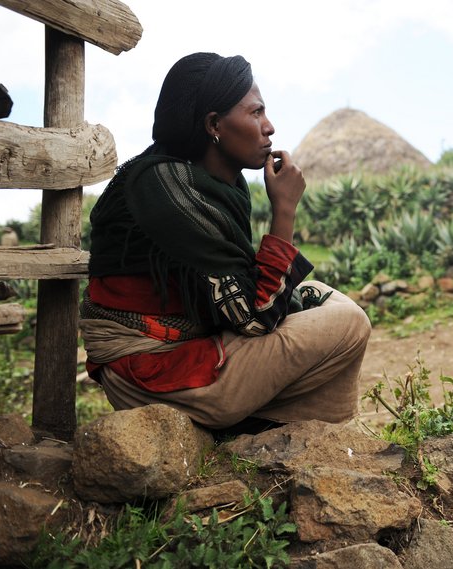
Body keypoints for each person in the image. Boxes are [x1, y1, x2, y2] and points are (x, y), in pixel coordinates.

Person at [79, 52, 371, 434]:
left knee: (316, 294)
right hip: (153, 373)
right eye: (256, 113)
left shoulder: (216, 187)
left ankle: (277, 425)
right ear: (214, 124)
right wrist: (284, 210)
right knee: (348, 322)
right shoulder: (167, 189)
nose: (269, 127)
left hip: (187, 352)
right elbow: (253, 319)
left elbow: (242, 288)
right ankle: (263, 425)